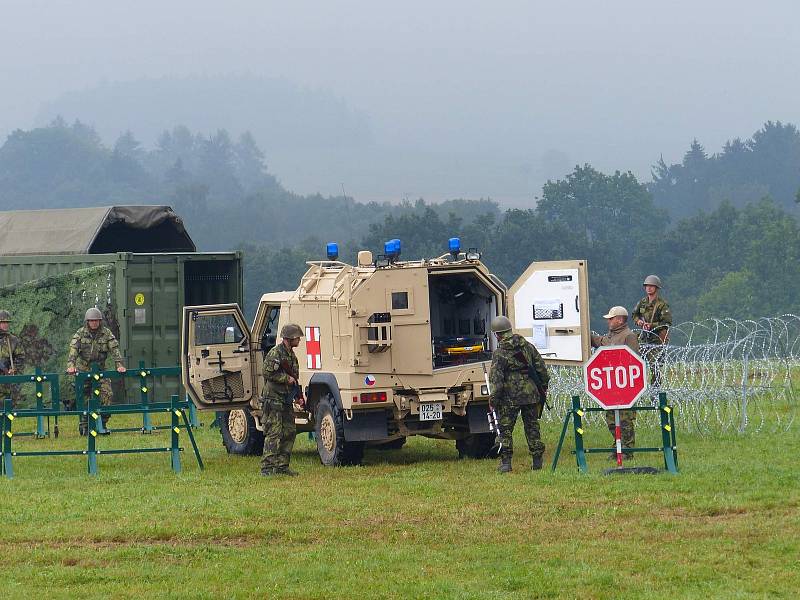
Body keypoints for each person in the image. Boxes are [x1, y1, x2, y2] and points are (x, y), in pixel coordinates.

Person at [488, 315, 550, 473]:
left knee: (505, 429)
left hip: (510, 397)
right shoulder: (527, 346)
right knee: (532, 427)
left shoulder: (500, 353)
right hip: (531, 394)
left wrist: (493, 399)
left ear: (497, 334)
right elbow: (542, 369)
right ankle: (537, 461)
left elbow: (497, 380)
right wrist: (543, 386)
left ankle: (506, 463)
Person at [66, 307, 126, 435]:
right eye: (91, 321)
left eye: (96, 320)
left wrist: (119, 365)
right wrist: (71, 365)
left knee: (107, 395)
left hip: (100, 370)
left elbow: (115, 349)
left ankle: (102, 424)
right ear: (87, 321)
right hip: (83, 371)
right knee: (84, 398)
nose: (94, 323)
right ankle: (84, 426)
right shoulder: (80, 333)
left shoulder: (106, 333)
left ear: (100, 321)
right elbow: (73, 351)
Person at [591, 306, 640, 456]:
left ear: (620, 319)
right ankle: (617, 445)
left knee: (625, 419)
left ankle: (627, 449)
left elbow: (633, 359)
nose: (609, 322)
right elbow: (599, 341)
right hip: (610, 384)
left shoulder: (628, 336)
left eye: (611, 319)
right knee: (611, 419)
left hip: (624, 385)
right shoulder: (610, 336)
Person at [260, 323, 305, 476]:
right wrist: (286, 378)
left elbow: (295, 378)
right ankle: (267, 468)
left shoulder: (291, 355)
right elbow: (267, 373)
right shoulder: (275, 353)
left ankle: (282, 466)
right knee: (274, 432)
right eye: (297, 338)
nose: (299, 340)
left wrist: (298, 397)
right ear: (289, 338)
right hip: (273, 399)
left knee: (289, 432)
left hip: (285, 399)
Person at [631, 275, 672, 388]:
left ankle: (655, 393)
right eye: (647, 286)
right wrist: (638, 321)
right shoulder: (642, 302)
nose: (648, 288)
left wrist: (652, 325)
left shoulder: (662, 305)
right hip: (644, 339)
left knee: (655, 368)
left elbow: (667, 323)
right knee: (635, 364)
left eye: (651, 286)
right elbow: (634, 314)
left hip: (657, 340)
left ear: (656, 288)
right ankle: (637, 388)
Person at [0, 310, 25, 407]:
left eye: (7, 322)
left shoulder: (13, 340)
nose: (6, 325)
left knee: (6, 412)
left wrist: (13, 368)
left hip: (6, 382)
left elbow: (20, 357)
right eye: (3, 322)